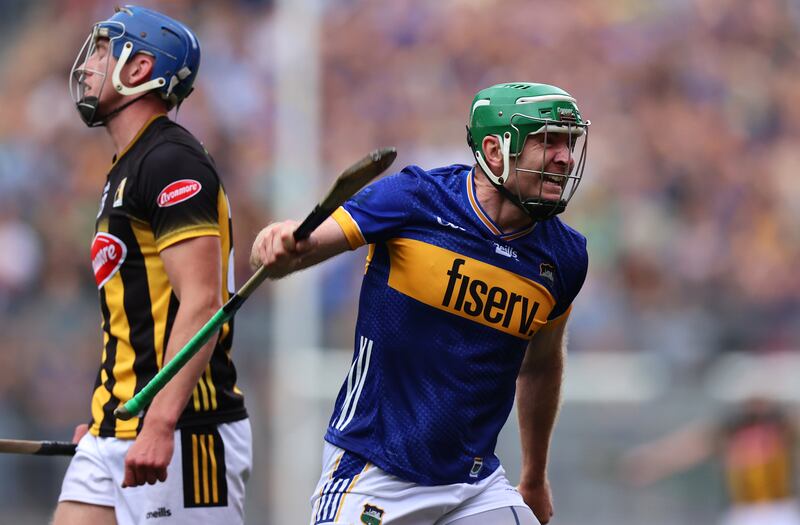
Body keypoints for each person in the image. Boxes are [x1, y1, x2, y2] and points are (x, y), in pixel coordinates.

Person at [251, 82, 590, 524]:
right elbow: (303, 246)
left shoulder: (565, 256)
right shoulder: (415, 199)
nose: (565, 158)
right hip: (374, 470)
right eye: (548, 142)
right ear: (494, 151)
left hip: (474, 486)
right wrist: (273, 241)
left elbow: (541, 366)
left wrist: (534, 475)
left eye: (569, 143)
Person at [54, 6, 250, 525]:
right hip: (118, 427)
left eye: (103, 51)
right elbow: (138, 318)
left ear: (139, 68)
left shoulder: (170, 161)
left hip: (186, 429)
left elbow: (202, 302)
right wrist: (107, 412)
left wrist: (160, 422)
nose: (88, 64)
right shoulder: (128, 166)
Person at [621, 396, 800, 525]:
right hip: (742, 512)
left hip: (780, 510)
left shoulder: (784, 428)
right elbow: (688, 447)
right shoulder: (729, 431)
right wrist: (651, 461)